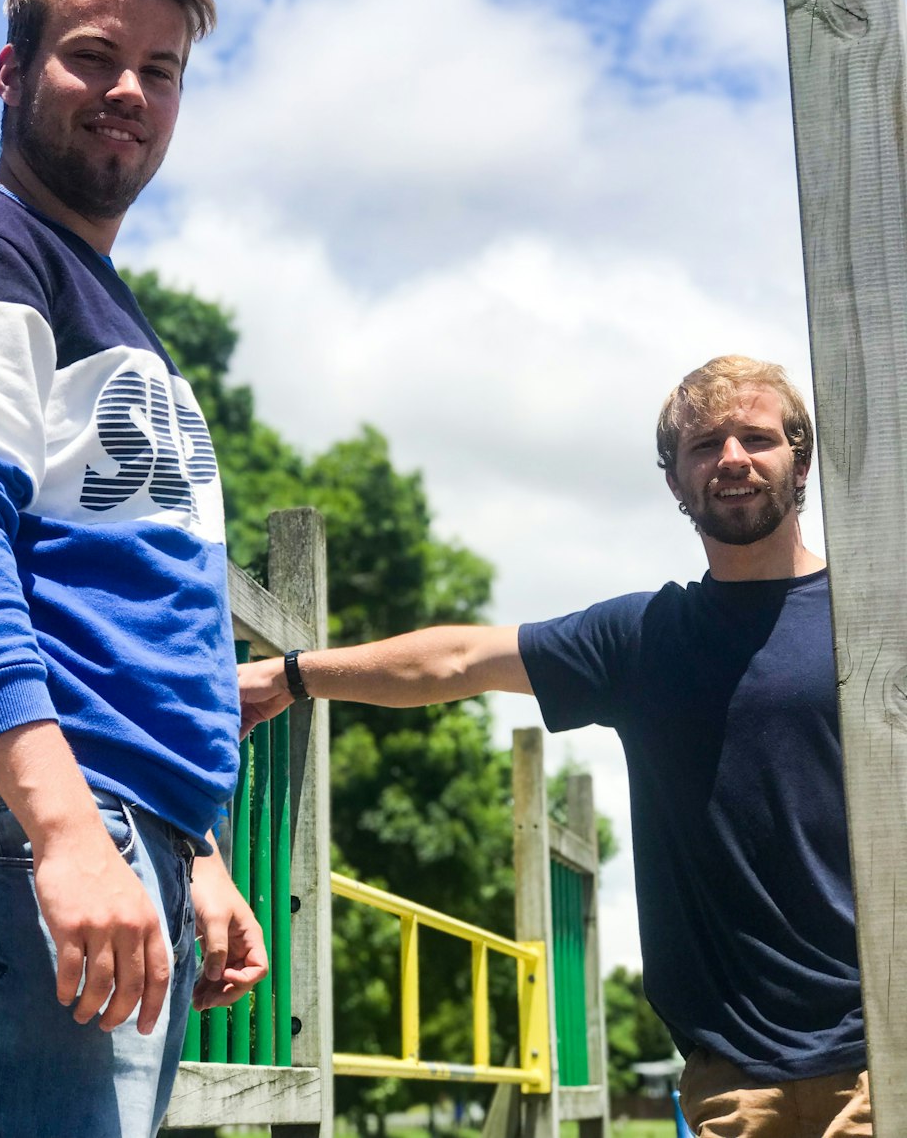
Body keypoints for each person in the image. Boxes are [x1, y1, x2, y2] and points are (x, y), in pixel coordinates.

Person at [242, 355, 870, 1138]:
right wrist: (293, 675)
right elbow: (459, 659)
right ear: (676, 480)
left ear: (800, 459)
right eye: (706, 444)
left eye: (756, 436)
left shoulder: (872, 620)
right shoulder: (644, 639)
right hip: (733, 1082)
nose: (733, 458)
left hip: (880, 1056)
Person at [0, 0, 266, 1138]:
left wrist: (196, 844)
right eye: (93, 57)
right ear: (12, 72)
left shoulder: (114, 312)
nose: (129, 91)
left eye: (158, 73)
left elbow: (134, 599)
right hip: (23, 827)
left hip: (124, 833)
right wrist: (61, 828)